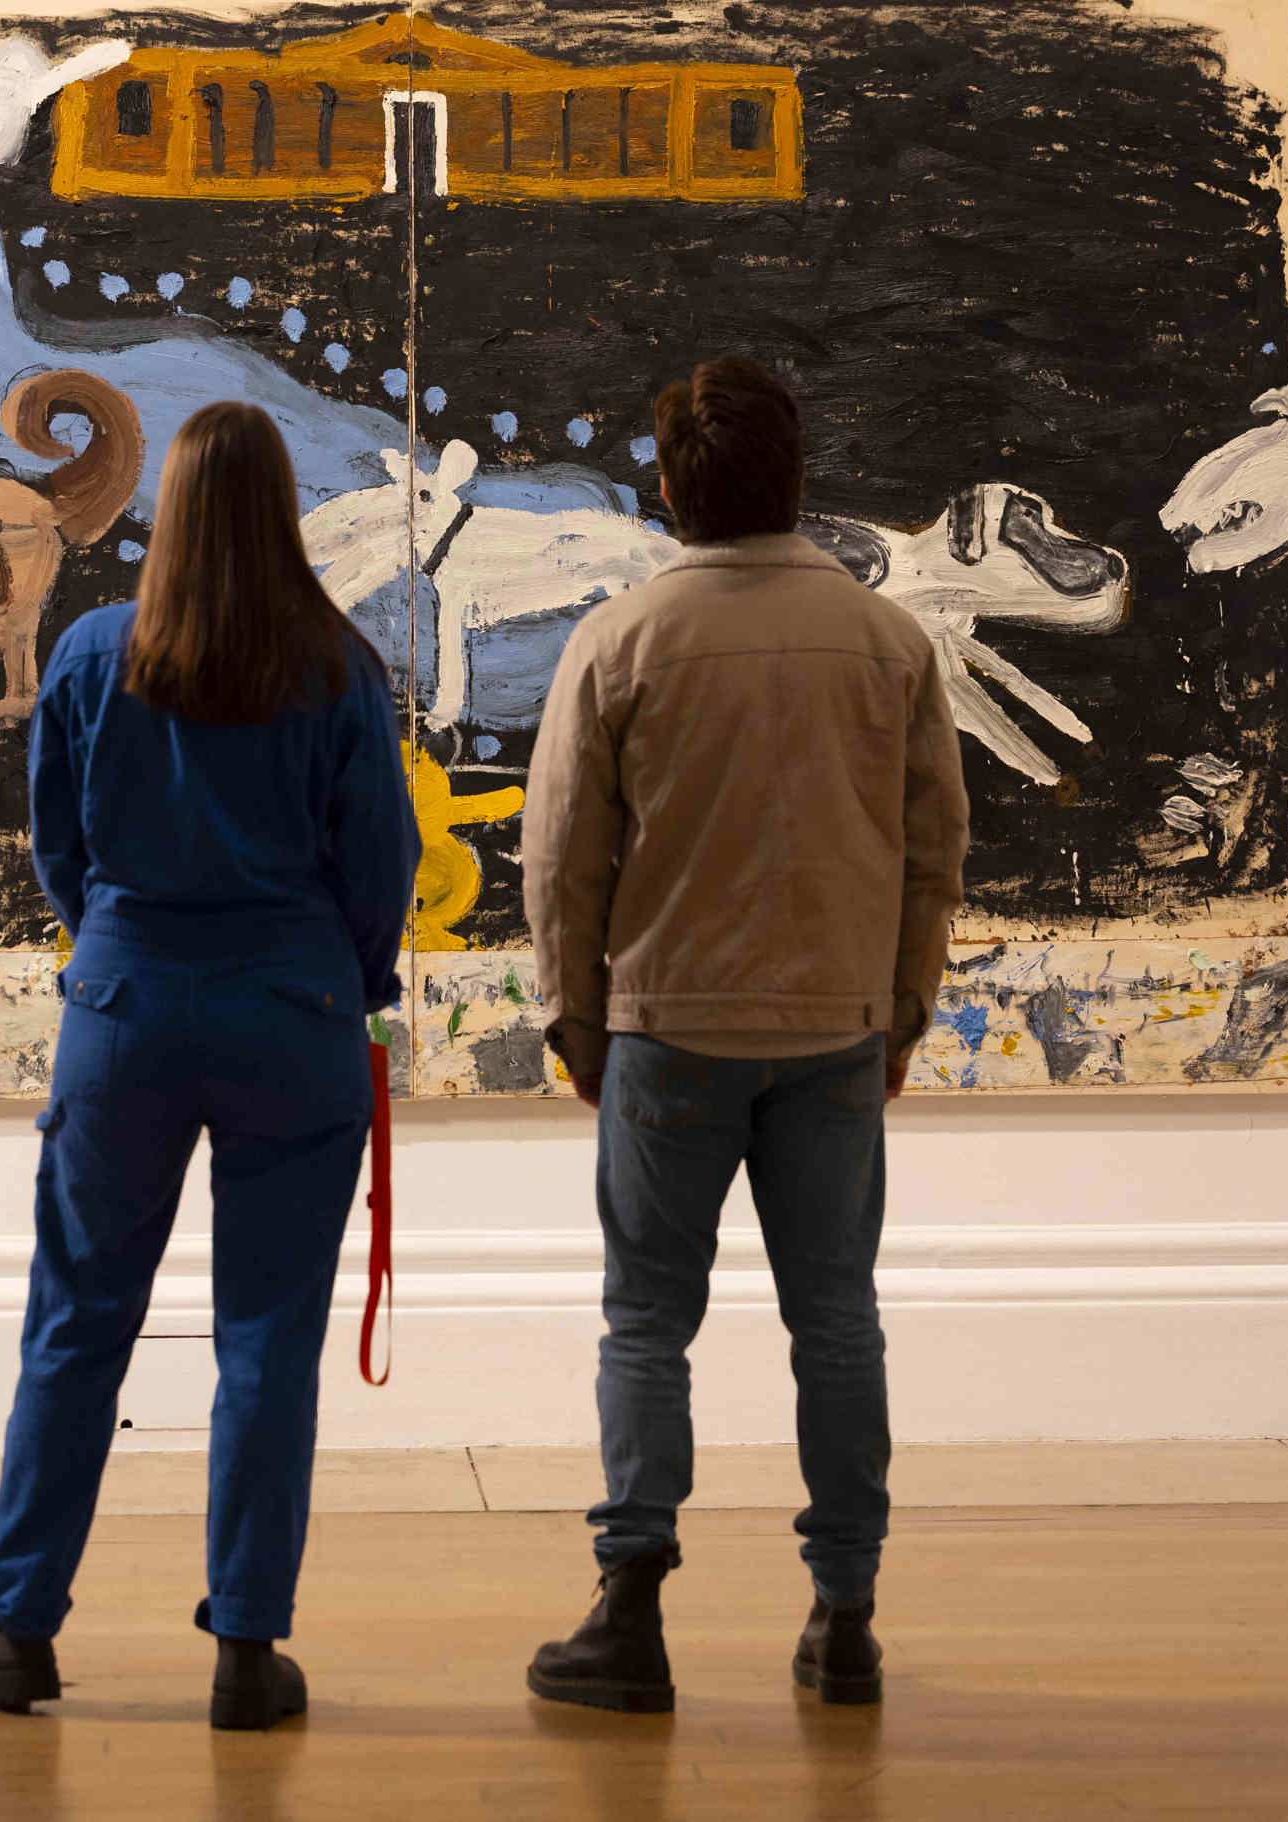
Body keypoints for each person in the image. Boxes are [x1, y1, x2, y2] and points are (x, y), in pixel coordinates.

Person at [0, 401, 418, 1733]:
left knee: (77, 1321)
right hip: (293, 1014)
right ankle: (247, 1653)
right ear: (280, 507)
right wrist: (348, 982)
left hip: (126, 1010)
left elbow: (57, 842)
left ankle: (16, 1633)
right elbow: (380, 869)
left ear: (167, 502)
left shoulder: (95, 651)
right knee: (267, 1337)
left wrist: (113, 944)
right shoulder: (339, 665)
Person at [520, 356, 969, 1716]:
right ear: (797, 475)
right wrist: (902, 1010)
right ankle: (846, 1618)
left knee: (646, 1323)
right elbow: (935, 851)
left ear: (672, 485)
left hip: (668, 1025)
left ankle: (630, 1610)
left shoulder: (622, 638)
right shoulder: (889, 643)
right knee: (836, 1321)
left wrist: (573, 1014)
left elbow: (562, 855)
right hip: (834, 1027)